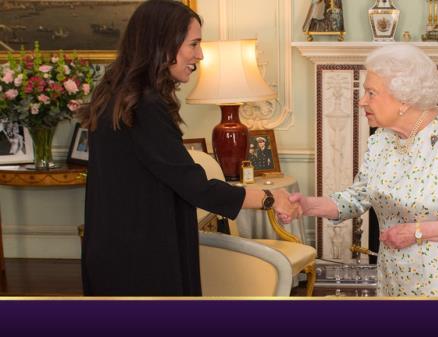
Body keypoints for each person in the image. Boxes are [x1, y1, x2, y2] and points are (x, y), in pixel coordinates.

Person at [78, 0, 299, 296]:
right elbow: (195, 187)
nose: (200, 54)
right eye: (193, 44)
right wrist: (269, 197)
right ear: (163, 43)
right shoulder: (145, 106)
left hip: (115, 249)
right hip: (143, 260)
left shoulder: (115, 97)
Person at [290, 45, 438, 297]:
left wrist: (416, 232)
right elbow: (358, 197)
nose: (361, 101)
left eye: (371, 93)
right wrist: (307, 206)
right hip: (395, 271)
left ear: (404, 98)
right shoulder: (381, 139)